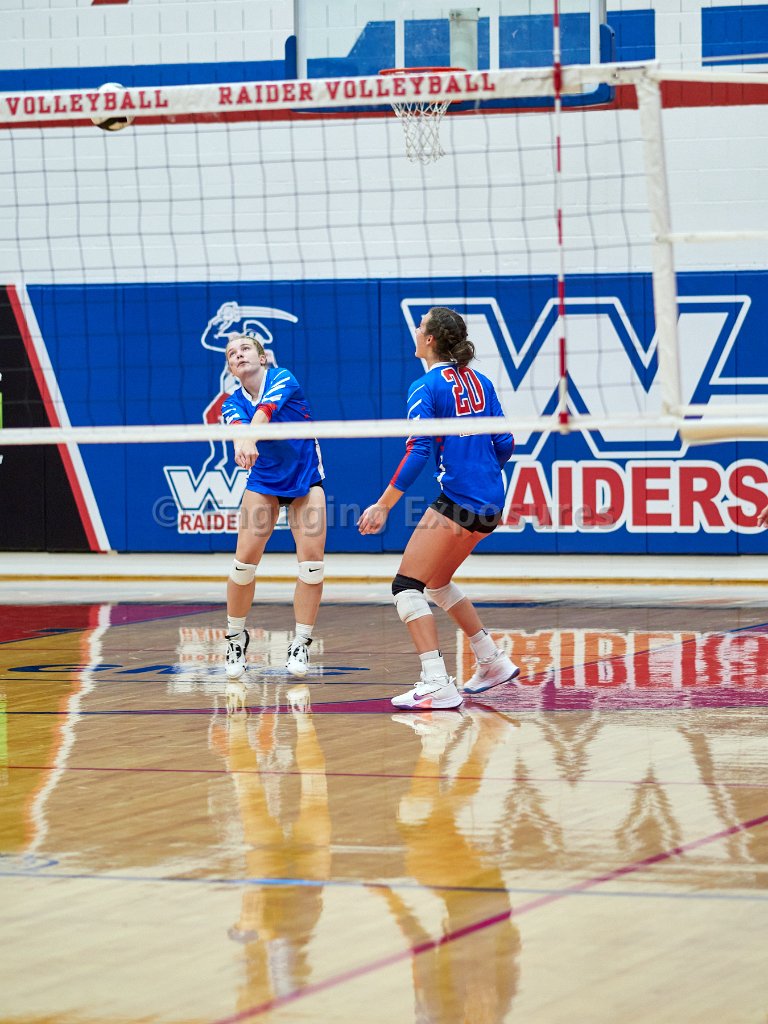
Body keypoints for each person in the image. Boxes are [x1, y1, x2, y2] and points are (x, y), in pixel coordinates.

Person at [357, 306, 519, 710]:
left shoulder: (425, 387)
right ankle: (491, 660)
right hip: (492, 502)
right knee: (438, 581)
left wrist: (383, 505)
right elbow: (505, 443)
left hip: (460, 500)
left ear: (429, 339)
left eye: (420, 326)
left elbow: (418, 451)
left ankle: (436, 682)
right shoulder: (481, 381)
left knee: (406, 587)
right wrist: (481, 471)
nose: (415, 330)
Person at [220, 332, 326, 682]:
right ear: (230, 368)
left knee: (312, 567)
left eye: (245, 349)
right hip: (264, 482)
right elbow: (239, 430)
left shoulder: (283, 378)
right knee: (242, 566)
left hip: (305, 479)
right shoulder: (231, 403)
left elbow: (264, 413)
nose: (238, 355)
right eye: (232, 353)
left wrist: (249, 438)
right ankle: (235, 638)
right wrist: (242, 443)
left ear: (262, 357)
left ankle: (301, 642)